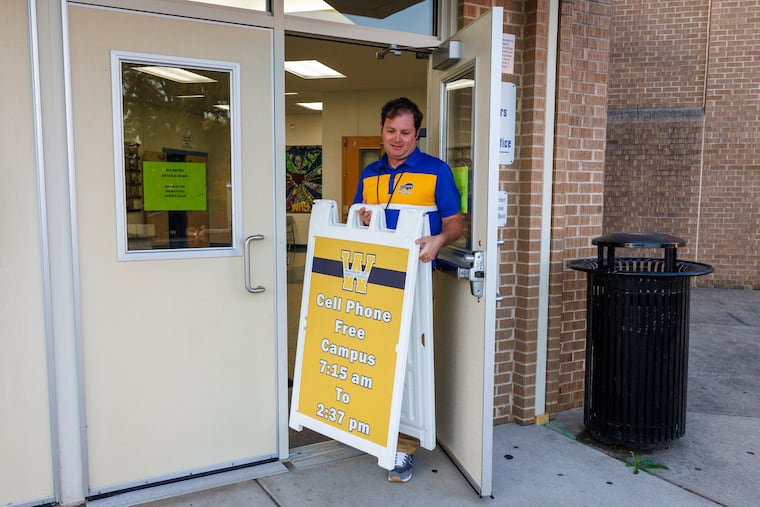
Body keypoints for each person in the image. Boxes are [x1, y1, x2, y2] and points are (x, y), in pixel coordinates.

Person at [353, 97, 463, 482]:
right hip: (375, 279)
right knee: (377, 354)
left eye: (405, 132)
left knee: (408, 361)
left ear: (417, 133)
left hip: (415, 278)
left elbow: (454, 223)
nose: (397, 139)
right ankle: (378, 429)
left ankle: (403, 447)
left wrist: (437, 240)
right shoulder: (369, 173)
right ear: (381, 131)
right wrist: (364, 222)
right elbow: (357, 223)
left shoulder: (437, 171)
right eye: (390, 131)